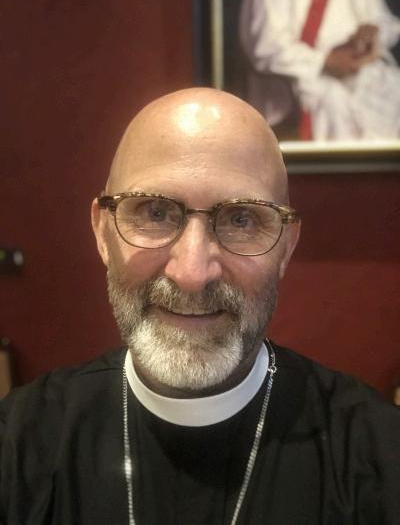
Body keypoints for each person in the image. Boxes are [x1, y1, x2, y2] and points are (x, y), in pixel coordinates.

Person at [1, 88, 399, 524]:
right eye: (154, 213)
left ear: (285, 247)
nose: (192, 273)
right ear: (102, 233)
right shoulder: (19, 446)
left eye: (242, 219)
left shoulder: (379, 456)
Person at [240, 0, 400, 140]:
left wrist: (372, 35)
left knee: (393, 89)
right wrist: (326, 61)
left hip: (354, 67)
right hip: (296, 77)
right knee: (332, 101)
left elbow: (383, 21)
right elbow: (265, 48)